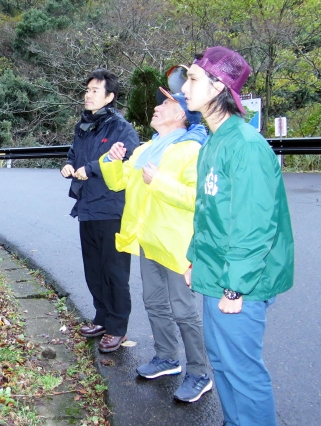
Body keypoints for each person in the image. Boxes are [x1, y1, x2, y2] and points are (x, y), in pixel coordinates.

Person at [181, 46, 294, 425]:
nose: (184, 88)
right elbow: (209, 212)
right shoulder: (214, 141)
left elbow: (254, 224)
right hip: (217, 271)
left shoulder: (245, 145)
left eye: (193, 79)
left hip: (240, 281)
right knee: (223, 362)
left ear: (218, 87)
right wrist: (195, 259)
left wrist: (236, 287)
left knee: (242, 371)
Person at [98, 87, 213, 402]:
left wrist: (159, 182)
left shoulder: (192, 150)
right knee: (154, 303)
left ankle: (199, 373)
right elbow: (118, 182)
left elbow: (199, 198)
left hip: (177, 244)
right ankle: (166, 358)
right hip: (149, 239)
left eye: (166, 103)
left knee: (184, 311)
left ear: (180, 114)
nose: (157, 107)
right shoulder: (146, 149)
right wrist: (111, 160)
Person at [61, 69, 139, 353]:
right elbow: (74, 153)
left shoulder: (121, 128)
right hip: (87, 207)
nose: (88, 94)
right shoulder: (84, 125)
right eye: (87, 90)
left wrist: (91, 168)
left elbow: (127, 158)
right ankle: (101, 318)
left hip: (111, 208)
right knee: (94, 269)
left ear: (109, 97)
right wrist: (69, 165)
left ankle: (117, 327)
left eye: (95, 90)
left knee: (114, 271)